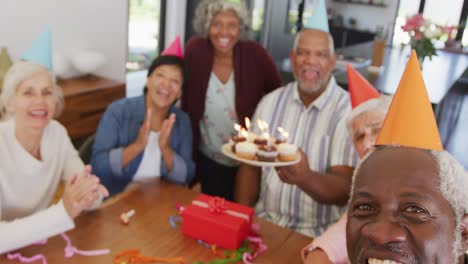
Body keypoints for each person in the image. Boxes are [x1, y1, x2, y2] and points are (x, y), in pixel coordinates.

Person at [235, 25, 359, 236]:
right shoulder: (270, 102)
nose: (310, 61)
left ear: (332, 62)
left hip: (317, 235)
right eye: (303, 53)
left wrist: (304, 177)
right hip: (265, 221)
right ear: (292, 58)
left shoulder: (348, 112)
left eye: (320, 54)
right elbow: (250, 169)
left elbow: (344, 189)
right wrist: (242, 218)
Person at [0, 61, 109, 254]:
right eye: (28, 92)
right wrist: (63, 211)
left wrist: (90, 194)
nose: (40, 101)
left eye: (47, 92)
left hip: (37, 246)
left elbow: (81, 183)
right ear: (9, 102)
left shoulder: (57, 133)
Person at [182, 0, 282, 201]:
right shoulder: (195, 50)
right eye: (216, 23)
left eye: (232, 25)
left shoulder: (255, 54)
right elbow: (181, 87)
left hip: (247, 160)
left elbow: (279, 94)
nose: (223, 32)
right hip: (208, 156)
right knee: (212, 214)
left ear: (240, 28)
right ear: (206, 26)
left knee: (242, 213)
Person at [92, 48, 195, 196]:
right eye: (160, 75)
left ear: (179, 92)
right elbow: (98, 168)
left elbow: (187, 177)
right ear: (148, 80)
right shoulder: (118, 112)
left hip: (161, 199)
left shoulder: (182, 122)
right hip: (119, 198)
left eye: (175, 81)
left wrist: (166, 149)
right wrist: (137, 146)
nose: (166, 85)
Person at [302, 96, 391, 264]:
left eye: (376, 129)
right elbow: (348, 228)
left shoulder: (433, 182)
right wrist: (320, 251)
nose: (367, 143)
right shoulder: (370, 180)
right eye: (359, 137)